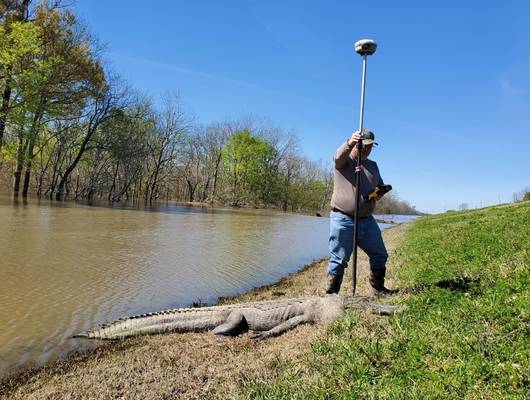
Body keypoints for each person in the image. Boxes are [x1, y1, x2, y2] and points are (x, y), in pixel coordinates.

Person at [325, 129, 395, 296]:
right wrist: (349, 143)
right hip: (343, 219)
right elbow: (337, 157)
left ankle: (378, 289)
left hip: (367, 221)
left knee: (380, 255)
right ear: (355, 144)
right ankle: (331, 295)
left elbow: (378, 187)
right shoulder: (344, 162)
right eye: (363, 146)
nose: (366, 149)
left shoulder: (373, 166)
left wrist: (377, 194)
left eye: (370, 147)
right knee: (339, 260)